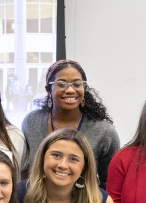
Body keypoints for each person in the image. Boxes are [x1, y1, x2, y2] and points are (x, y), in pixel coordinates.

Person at [21, 60, 119, 189]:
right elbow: (25, 172)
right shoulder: (32, 122)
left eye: (77, 84)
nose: (70, 90)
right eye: (61, 84)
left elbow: (110, 184)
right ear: (48, 89)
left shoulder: (104, 132)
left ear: (85, 88)